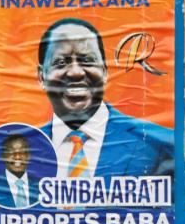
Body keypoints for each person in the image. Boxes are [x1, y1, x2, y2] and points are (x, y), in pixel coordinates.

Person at [37, 17, 173, 179]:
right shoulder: (18, 153)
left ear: (105, 72)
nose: (76, 72)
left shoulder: (162, 145)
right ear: (41, 77)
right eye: (60, 62)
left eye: (87, 61)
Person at [0, 132, 43, 208]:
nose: (17, 156)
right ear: (3, 156)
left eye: (22, 152)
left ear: (28, 156)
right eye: (11, 152)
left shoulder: (42, 188)